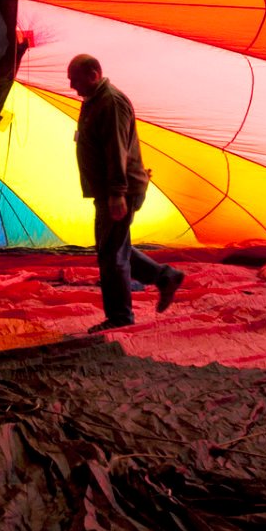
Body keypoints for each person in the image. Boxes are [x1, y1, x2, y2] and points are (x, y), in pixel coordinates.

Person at [69, 54, 183, 331]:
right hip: (110, 189)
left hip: (119, 189)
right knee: (113, 248)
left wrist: (118, 193)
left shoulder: (111, 102)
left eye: (75, 79)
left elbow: (116, 149)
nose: (72, 86)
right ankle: (164, 276)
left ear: (93, 74)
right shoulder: (95, 101)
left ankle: (120, 317)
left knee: (112, 255)